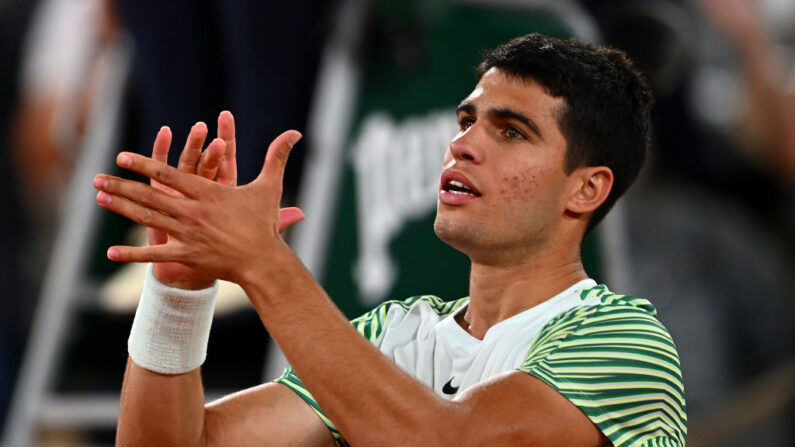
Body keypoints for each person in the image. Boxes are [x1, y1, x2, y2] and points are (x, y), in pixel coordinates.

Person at [93, 34, 686, 446]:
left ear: (586, 190)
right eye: (466, 121)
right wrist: (180, 293)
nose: (464, 145)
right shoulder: (391, 333)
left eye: (511, 131)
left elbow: (441, 441)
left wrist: (262, 262)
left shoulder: (627, 342)